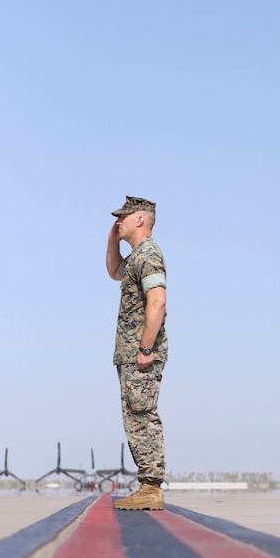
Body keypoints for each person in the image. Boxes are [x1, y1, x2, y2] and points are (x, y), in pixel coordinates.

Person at [106, 196, 168, 510]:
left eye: (124, 217)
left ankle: (151, 488)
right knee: (134, 418)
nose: (119, 222)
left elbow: (157, 301)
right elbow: (114, 270)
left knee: (142, 416)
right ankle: (147, 484)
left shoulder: (149, 254)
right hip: (129, 353)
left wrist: (145, 348)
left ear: (140, 220)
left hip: (141, 353)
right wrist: (111, 239)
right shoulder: (135, 258)